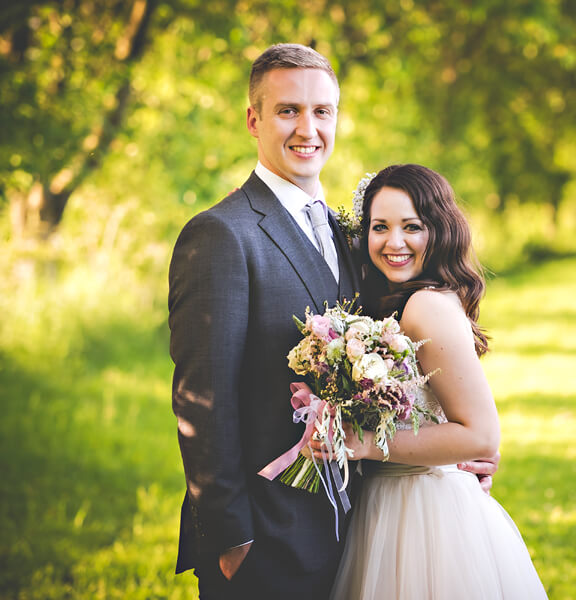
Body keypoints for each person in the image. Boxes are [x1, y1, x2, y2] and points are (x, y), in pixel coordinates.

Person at [168, 44, 499, 598]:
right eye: (288, 110)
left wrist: (457, 452)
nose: (308, 128)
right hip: (266, 538)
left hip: (360, 529)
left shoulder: (356, 237)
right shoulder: (221, 235)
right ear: (254, 119)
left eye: (322, 111)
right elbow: (202, 398)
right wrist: (231, 539)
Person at [314, 164, 547, 599]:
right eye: (379, 226)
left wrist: (368, 443)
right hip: (392, 500)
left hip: (422, 514)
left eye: (412, 227)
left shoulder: (425, 306)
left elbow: (480, 434)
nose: (393, 242)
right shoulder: (402, 297)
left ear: (437, 231)